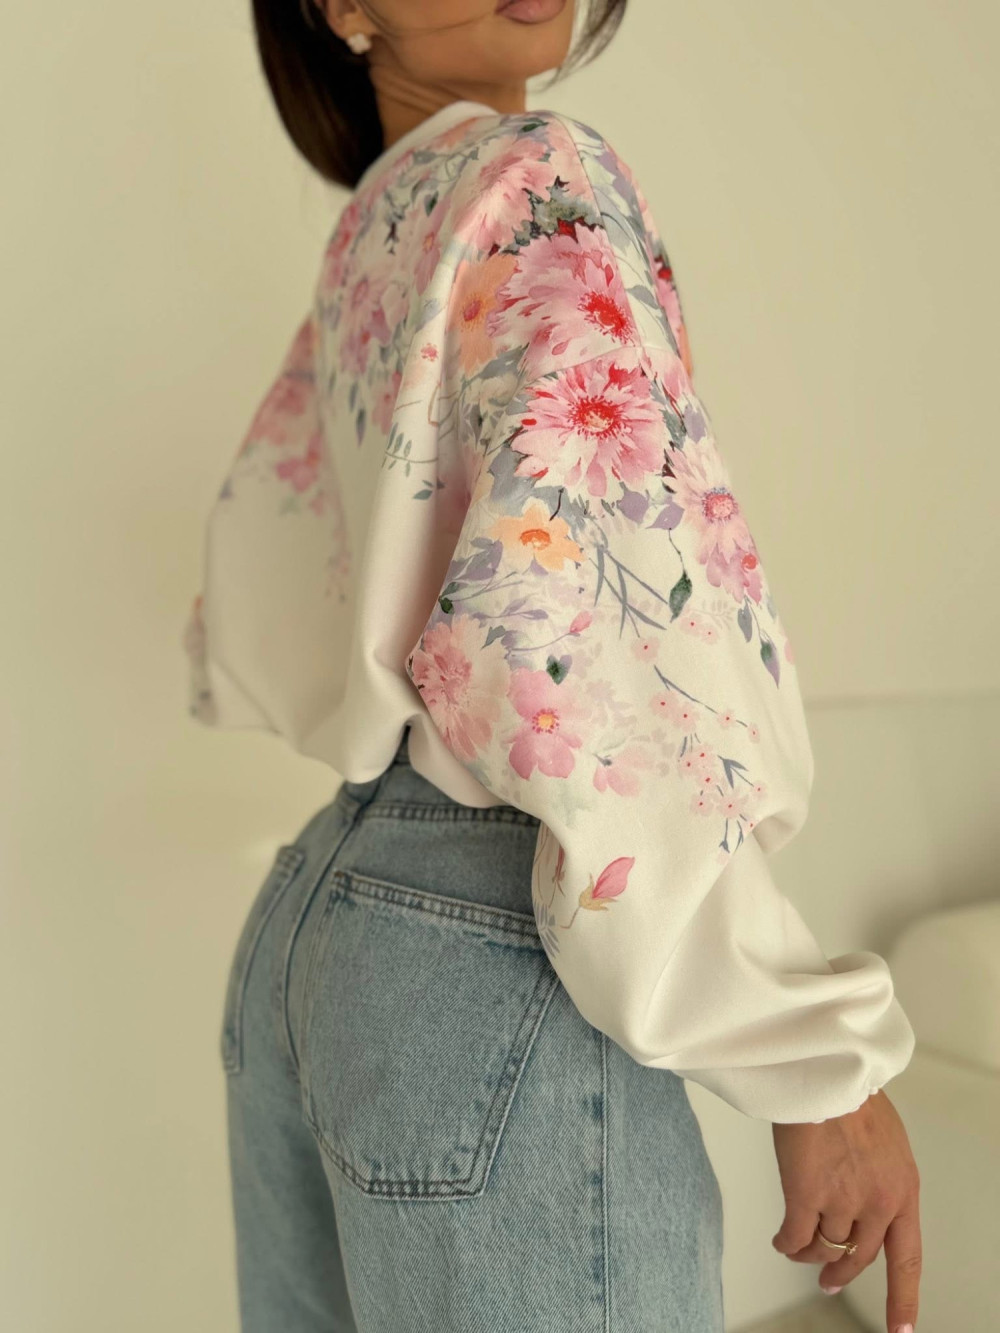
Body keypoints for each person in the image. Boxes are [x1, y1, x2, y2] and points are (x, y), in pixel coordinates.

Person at [182, 2, 922, 1329]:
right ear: (340, 5)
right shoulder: (538, 175)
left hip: (321, 938)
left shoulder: (379, 224)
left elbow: (291, 562)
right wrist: (816, 1063)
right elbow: (596, 647)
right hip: (492, 940)